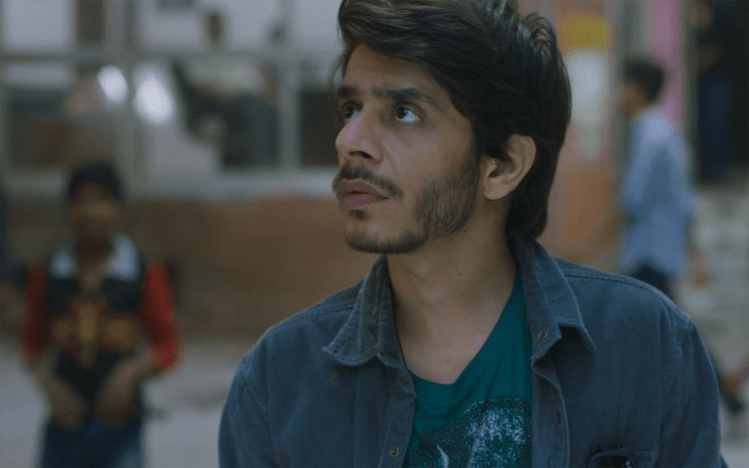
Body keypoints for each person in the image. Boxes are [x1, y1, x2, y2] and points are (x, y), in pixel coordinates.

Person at [219, 1, 726, 466]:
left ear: (502, 166)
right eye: (351, 109)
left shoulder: (646, 347)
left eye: (404, 112)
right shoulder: (276, 382)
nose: (349, 140)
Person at [21, 161, 180, 468]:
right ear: (67, 210)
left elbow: (167, 347)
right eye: (79, 200)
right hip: (64, 425)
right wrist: (50, 386)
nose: (89, 211)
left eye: (101, 200)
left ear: (121, 210)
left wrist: (131, 372)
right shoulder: (48, 273)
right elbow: (32, 343)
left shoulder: (143, 272)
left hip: (120, 426)